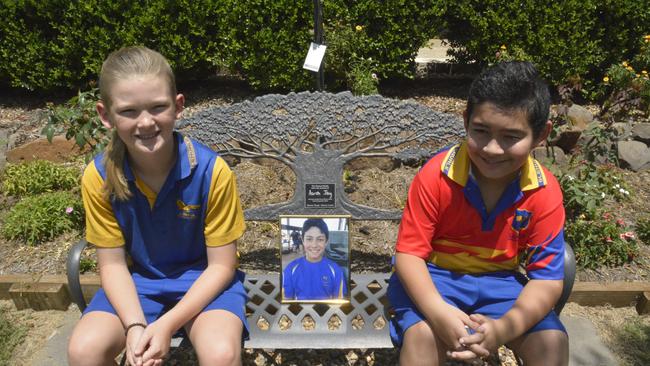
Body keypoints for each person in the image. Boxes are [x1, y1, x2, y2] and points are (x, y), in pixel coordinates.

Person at [67, 46, 248, 366]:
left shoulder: (211, 171)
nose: (146, 122)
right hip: (139, 284)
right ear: (105, 116)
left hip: (204, 281)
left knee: (221, 354)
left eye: (157, 107)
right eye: (128, 111)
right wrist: (135, 325)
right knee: (84, 350)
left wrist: (166, 325)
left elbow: (222, 265)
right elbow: (111, 265)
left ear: (178, 107)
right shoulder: (98, 177)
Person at [387, 61, 568, 366]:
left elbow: (546, 279)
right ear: (465, 120)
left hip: (502, 285)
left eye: (511, 137)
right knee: (423, 338)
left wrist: (502, 329)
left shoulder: (543, 192)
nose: (492, 149)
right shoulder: (436, 176)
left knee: (551, 344)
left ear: (541, 135)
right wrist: (438, 313)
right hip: (434, 279)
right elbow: (409, 255)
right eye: (481, 131)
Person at [283, 218, 347, 300]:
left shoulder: (336, 270)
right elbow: (286, 301)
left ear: (326, 242)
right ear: (303, 240)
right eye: (309, 239)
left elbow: (339, 302)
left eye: (320, 239)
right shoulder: (290, 269)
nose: (314, 245)